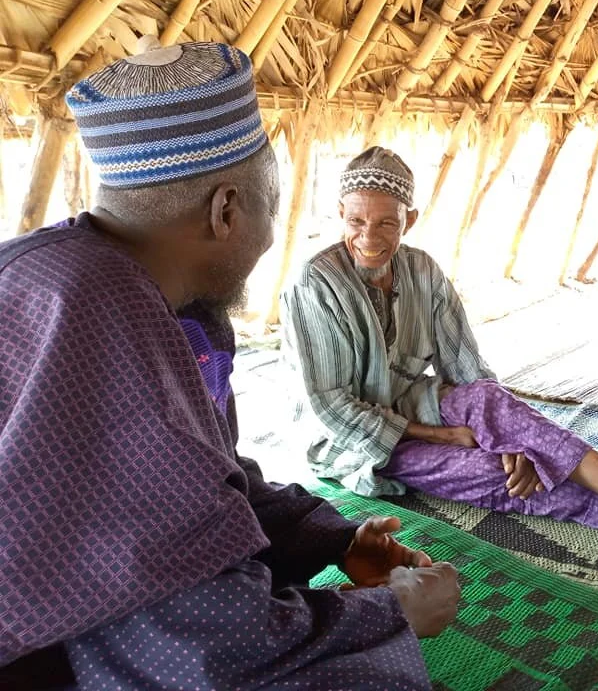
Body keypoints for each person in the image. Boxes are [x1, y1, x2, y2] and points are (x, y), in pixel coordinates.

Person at [0, 40, 459, 690]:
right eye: (270, 204)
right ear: (226, 211)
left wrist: (328, 536)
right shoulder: (102, 319)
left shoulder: (157, 301)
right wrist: (393, 612)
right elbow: (206, 636)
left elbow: (197, 485)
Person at [281, 146, 598, 566]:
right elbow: (330, 406)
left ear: (410, 219)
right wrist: (445, 436)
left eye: (387, 221)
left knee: (520, 441)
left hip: (411, 401)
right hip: (358, 443)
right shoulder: (316, 283)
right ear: (339, 215)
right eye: (355, 221)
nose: (369, 236)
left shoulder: (422, 270)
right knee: (500, 476)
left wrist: (510, 435)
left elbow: (469, 371)